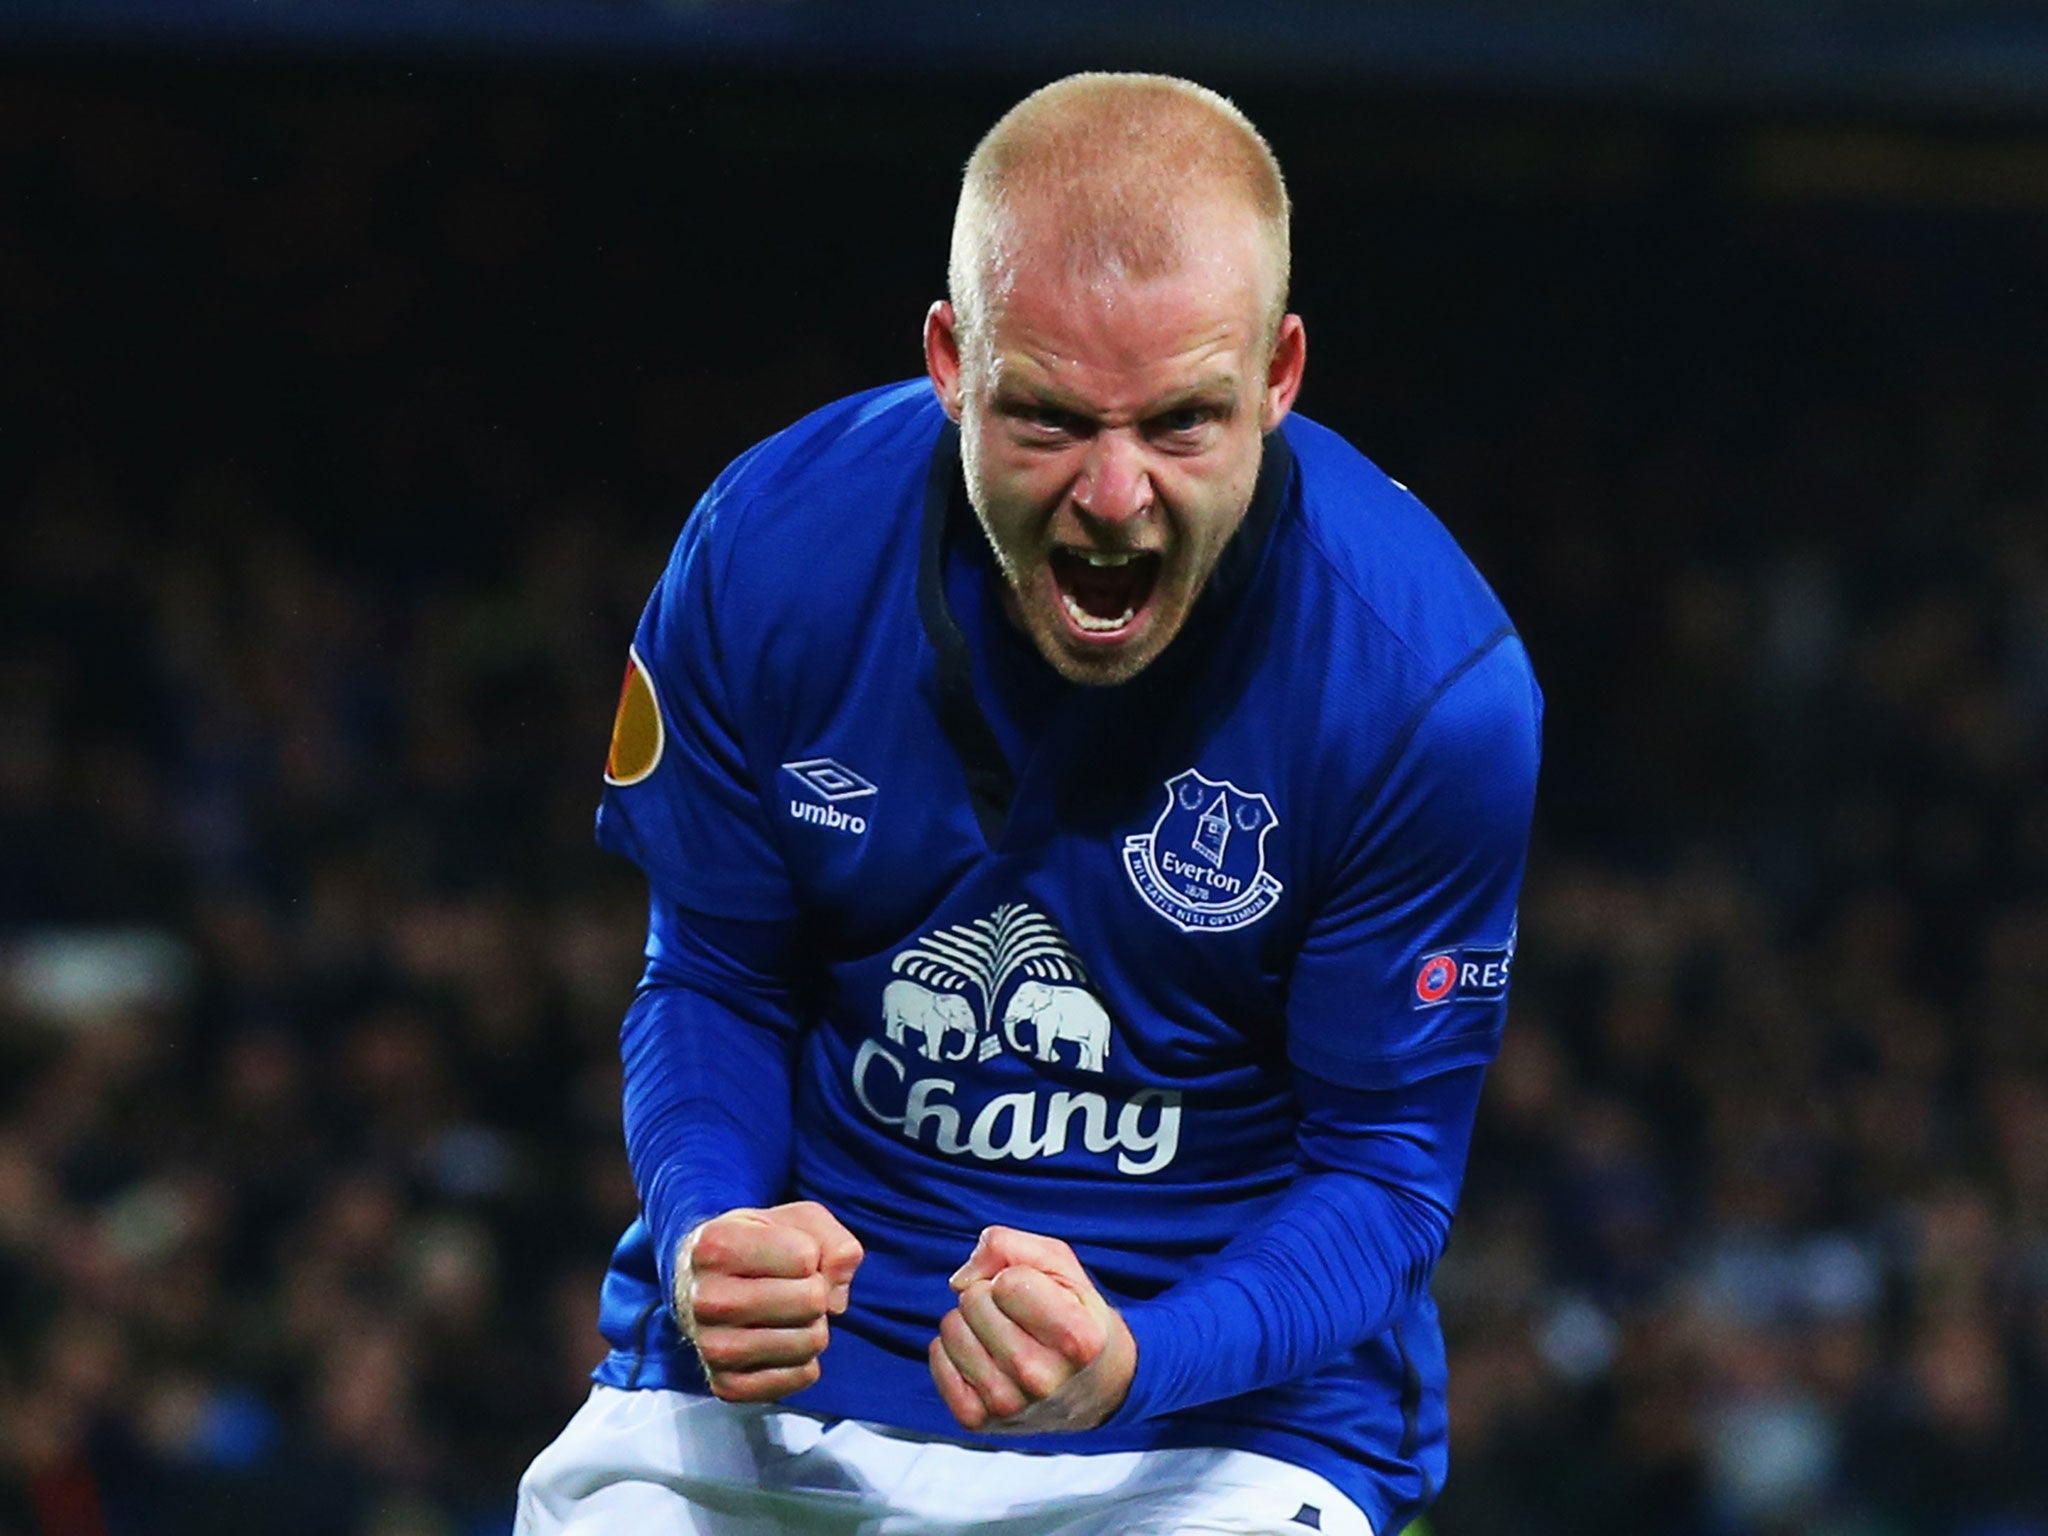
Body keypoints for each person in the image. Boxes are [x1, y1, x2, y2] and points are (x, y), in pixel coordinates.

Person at [517, 71, 1540, 1536]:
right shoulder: (767, 558)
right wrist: (708, 1233)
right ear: (950, 360)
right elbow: (714, 976)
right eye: (1050, 418)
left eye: (1183, 423)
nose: (1115, 499)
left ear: (1280, 376)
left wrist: (1139, 1357)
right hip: (776, 1399)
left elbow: (1384, 1176)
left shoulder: (1427, 690)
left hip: (1211, 1432)